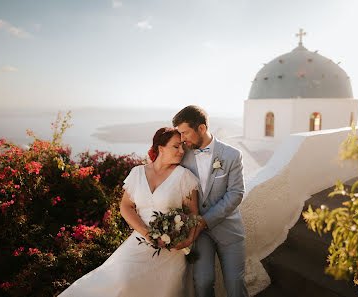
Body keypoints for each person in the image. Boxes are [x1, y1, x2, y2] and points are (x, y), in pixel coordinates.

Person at [58, 127, 199, 297]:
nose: (182, 151)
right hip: (140, 240)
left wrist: (183, 238)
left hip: (170, 250)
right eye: (176, 146)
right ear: (161, 148)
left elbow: (193, 214)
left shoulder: (185, 177)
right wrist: (148, 234)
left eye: (182, 146)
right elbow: (126, 206)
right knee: (120, 281)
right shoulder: (137, 173)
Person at [173, 105, 249, 297]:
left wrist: (205, 220)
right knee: (203, 283)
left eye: (185, 133)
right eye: (179, 134)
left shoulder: (232, 155)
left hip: (229, 231)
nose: (182, 139)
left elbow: (236, 194)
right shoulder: (182, 156)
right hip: (199, 236)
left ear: (201, 128)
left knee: (235, 283)